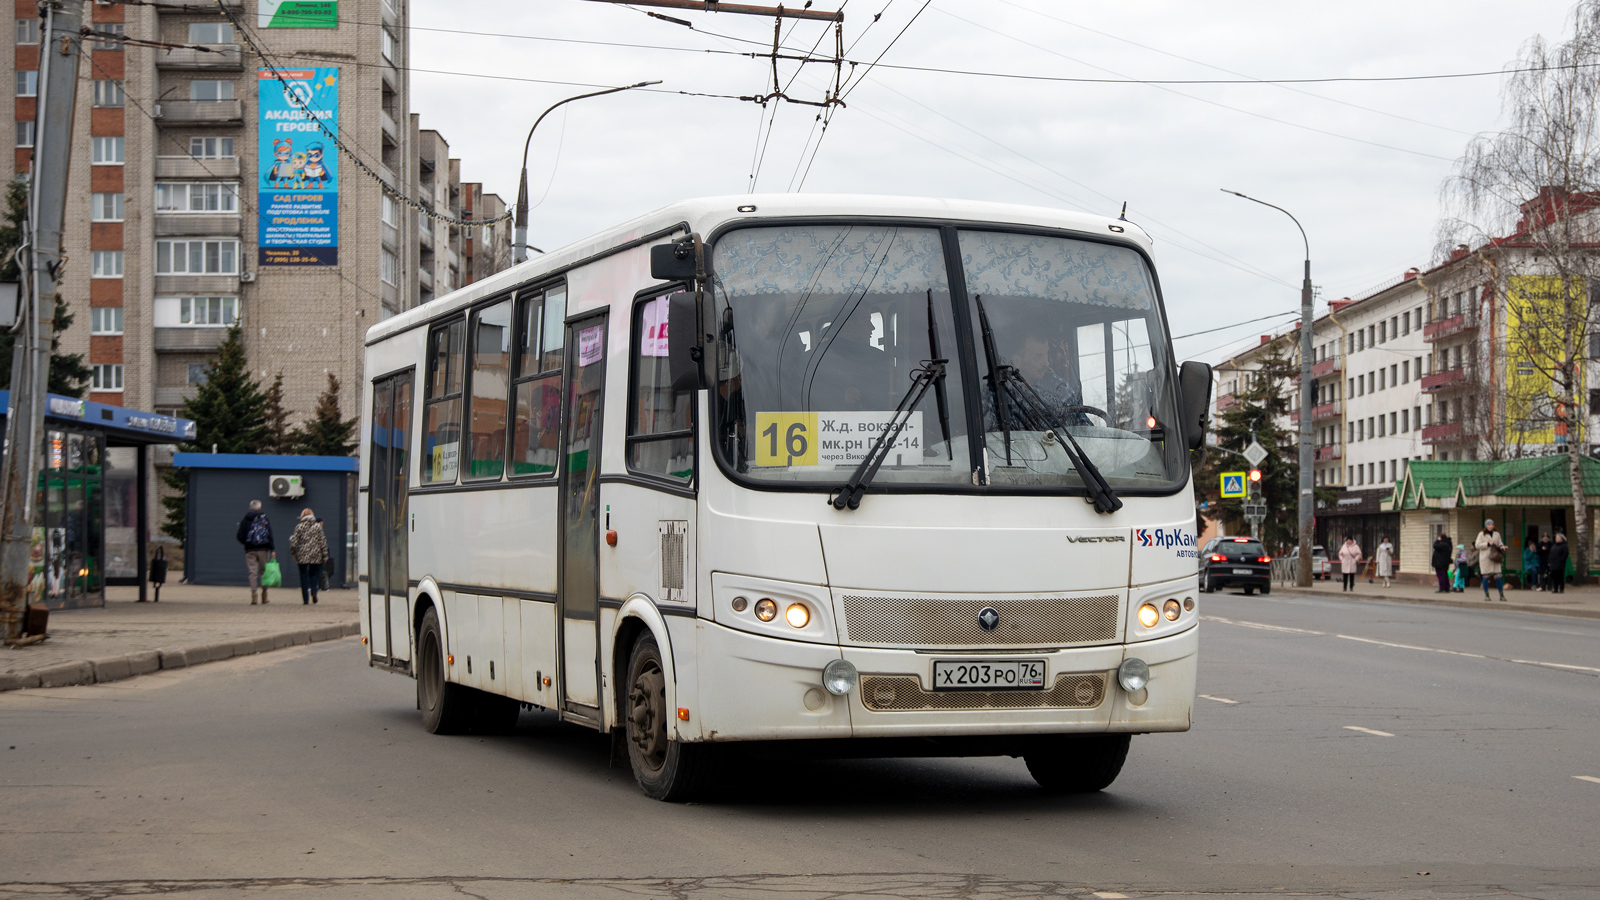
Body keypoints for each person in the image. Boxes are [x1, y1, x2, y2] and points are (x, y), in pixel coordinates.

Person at [236, 500, 275, 605]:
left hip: (250, 550)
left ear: (250, 508)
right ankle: (264, 596)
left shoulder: (245, 519)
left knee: (252, 573)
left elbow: (239, 535)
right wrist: (272, 549)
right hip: (263, 549)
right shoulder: (264, 518)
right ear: (259, 508)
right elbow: (269, 533)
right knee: (264, 573)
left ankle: (254, 596)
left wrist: (247, 543)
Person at [289, 507, 330, 605]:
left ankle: (305, 599)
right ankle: (314, 592)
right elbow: (323, 542)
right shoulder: (317, 527)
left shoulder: (299, 527)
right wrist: (325, 555)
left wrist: (294, 553)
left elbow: (293, 542)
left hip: (302, 555)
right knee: (314, 574)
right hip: (316, 555)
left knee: (303, 576)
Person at [1474, 518, 1507, 601]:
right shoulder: (1482, 534)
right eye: (1489, 524)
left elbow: (1500, 543)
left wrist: (1502, 546)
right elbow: (1477, 545)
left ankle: (1501, 594)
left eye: (1492, 524)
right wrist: (1487, 544)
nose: (1491, 526)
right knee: (1486, 576)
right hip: (1486, 558)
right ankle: (1486, 594)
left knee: (1498, 575)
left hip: (1495, 557)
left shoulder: (1497, 534)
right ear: (1486, 526)